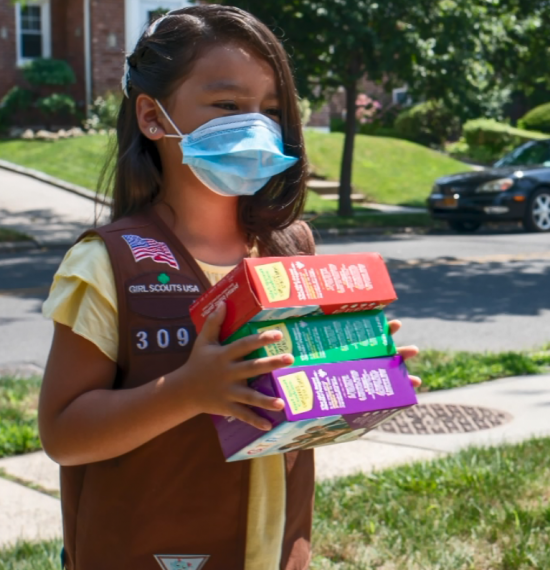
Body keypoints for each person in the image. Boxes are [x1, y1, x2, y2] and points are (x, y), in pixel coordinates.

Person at [37, 5, 420, 570]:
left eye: (270, 110)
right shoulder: (106, 264)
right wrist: (186, 391)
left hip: (272, 550)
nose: (256, 127)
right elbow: (63, 433)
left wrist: (354, 381)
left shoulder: (290, 249)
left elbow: (291, 413)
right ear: (152, 116)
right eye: (227, 106)